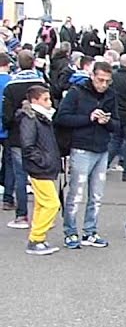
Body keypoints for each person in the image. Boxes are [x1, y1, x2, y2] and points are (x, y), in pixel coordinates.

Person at [54, 60, 117, 250]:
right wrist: (88, 118)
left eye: (107, 81)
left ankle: (90, 231)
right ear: (92, 76)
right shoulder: (76, 92)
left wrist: (107, 121)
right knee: (76, 194)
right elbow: (61, 118)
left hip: (102, 148)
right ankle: (70, 232)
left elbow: (118, 124)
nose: (103, 85)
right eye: (100, 80)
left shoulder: (111, 95)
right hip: (81, 147)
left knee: (96, 195)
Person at [17, 84, 60, 255]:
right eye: (45, 99)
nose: (49, 102)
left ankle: (37, 238)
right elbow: (28, 145)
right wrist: (43, 161)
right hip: (40, 168)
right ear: (34, 100)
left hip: (41, 166)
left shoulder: (39, 117)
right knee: (52, 203)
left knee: (42, 204)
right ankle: (36, 238)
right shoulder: (31, 118)